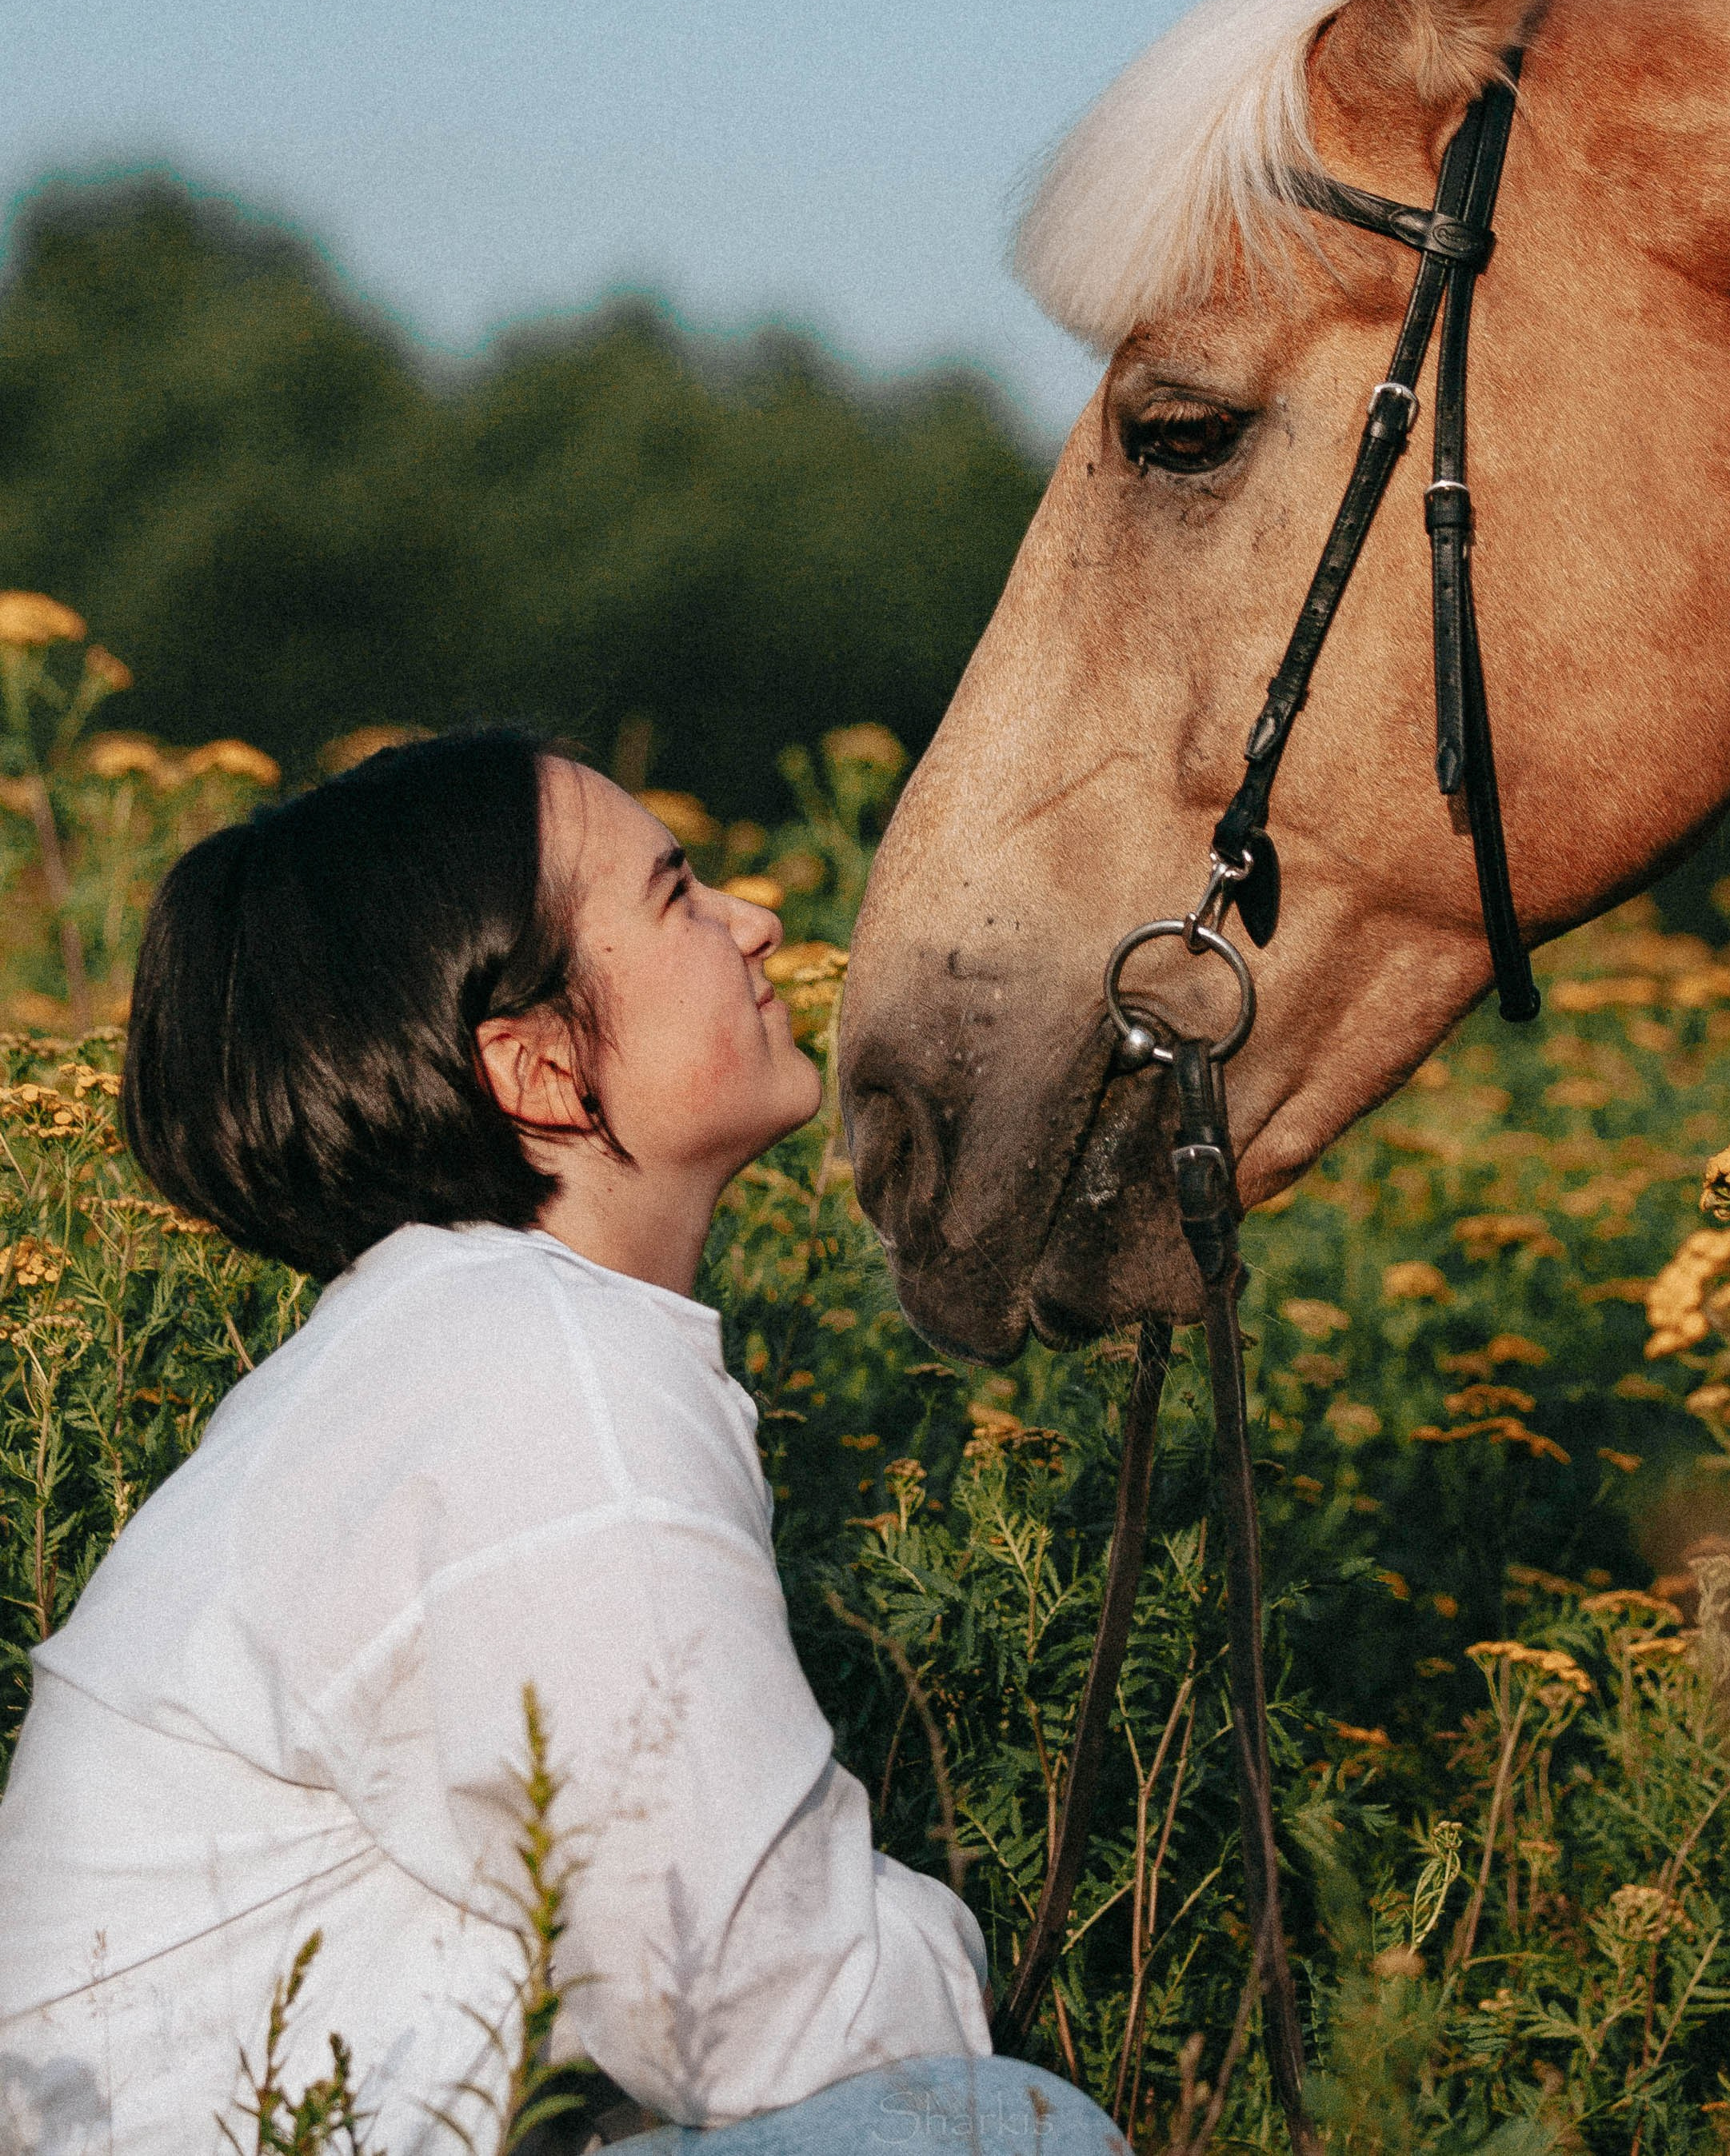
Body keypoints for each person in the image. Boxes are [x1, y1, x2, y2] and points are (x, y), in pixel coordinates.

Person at [0, 734, 1126, 2154]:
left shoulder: (445, 1343)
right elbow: (781, 2017)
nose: (756, 920)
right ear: (535, 1067)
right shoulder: (531, 1371)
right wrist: (939, 1942)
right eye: (675, 895)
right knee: (987, 2127)